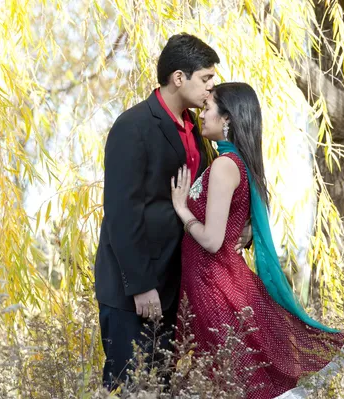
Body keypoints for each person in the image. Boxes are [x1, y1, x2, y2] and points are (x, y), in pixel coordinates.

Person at [171, 82, 344, 398]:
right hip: (212, 283)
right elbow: (236, 223)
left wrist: (181, 208)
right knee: (231, 380)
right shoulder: (232, 164)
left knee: (236, 382)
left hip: (214, 286)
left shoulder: (224, 166)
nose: (201, 114)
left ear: (228, 119)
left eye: (207, 108)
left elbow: (211, 240)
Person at [94, 34, 251, 390]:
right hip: (133, 290)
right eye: (206, 78)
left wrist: (245, 228)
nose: (213, 88)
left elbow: (216, 193)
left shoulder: (198, 133)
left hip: (176, 287)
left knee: (161, 388)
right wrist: (141, 285)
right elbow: (122, 212)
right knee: (129, 386)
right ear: (179, 78)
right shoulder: (133, 127)